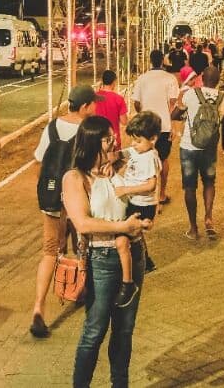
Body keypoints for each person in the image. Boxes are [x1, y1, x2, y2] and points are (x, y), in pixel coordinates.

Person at [64, 117, 147, 388]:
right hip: (101, 259)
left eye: (113, 136)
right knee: (95, 330)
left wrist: (115, 160)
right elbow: (82, 223)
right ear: (90, 142)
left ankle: (119, 384)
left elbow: (146, 154)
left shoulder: (121, 166)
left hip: (133, 254)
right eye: (107, 138)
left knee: (124, 330)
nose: (114, 141)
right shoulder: (75, 178)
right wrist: (122, 226)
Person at [30, 84, 96, 338]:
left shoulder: (52, 127)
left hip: (51, 199)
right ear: (84, 107)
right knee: (84, 245)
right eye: (93, 103)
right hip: (78, 197)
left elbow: (39, 161)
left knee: (50, 251)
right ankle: (80, 290)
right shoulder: (87, 131)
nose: (96, 107)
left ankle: (38, 308)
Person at [111, 112, 161, 307]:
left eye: (138, 141)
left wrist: (126, 189)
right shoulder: (140, 150)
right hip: (135, 201)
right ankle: (145, 262)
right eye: (132, 140)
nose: (133, 144)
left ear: (153, 139)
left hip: (142, 204)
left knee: (123, 239)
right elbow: (125, 153)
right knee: (134, 236)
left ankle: (127, 281)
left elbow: (150, 185)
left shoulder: (148, 157)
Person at [175, 65, 224, 241]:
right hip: (209, 149)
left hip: (189, 147)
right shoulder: (223, 98)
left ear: (202, 78)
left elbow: (176, 114)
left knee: (190, 187)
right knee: (209, 182)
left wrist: (180, 100)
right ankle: (209, 218)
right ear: (218, 80)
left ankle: (193, 227)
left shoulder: (191, 94)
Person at [129, 50, 179, 207]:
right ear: (162, 62)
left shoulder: (142, 79)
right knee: (163, 159)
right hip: (163, 125)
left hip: (145, 126)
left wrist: (143, 113)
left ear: (150, 61)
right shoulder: (170, 78)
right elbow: (173, 103)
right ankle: (162, 194)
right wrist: (173, 125)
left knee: (143, 158)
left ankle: (142, 193)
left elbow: (136, 103)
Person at [94, 70, 129, 149]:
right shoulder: (119, 99)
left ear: (102, 81)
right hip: (113, 140)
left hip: (96, 138)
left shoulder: (94, 97)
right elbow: (124, 122)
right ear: (114, 81)